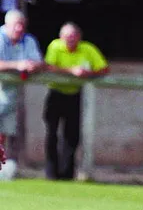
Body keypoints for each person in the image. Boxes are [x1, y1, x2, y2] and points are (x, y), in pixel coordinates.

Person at [43, 22, 109, 180]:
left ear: (79, 37)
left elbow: (104, 68)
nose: (70, 40)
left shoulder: (88, 48)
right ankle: (51, 174)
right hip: (56, 93)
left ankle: (67, 174)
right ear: (61, 37)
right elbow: (49, 67)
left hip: (75, 95)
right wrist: (72, 71)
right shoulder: (55, 46)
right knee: (51, 133)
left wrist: (88, 73)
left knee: (71, 136)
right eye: (67, 37)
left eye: (73, 37)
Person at [0, 9, 43, 181]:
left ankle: (5, 168)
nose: (19, 28)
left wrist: (33, 66)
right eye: (16, 25)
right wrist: (17, 65)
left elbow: (39, 62)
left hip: (11, 96)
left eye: (22, 25)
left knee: (6, 133)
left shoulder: (28, 40)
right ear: (6, 25)